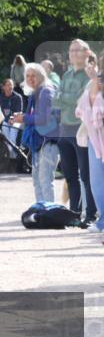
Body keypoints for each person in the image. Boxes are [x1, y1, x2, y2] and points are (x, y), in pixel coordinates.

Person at [56, 39, 97, 226]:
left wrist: (65, 98)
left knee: (87, 175)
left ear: (87, 53)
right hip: (64, 129)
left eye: (77, 50)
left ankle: (90, 214)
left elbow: (78, 101)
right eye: (71, 50)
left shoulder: (90, 75)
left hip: (82, 130)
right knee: (70, 175)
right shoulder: (66, 75)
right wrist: (67, 98)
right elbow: (55, 101)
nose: (73, 54)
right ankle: (75, 213)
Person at [15, 63, 60, 204]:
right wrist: (21, 117)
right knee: (37, 179)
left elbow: (43, 118)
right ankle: (41, 209)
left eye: (33, 75)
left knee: (45, 179)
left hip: (48, 141)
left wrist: (24, 118)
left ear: (41, 76)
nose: (30, 79)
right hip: (39, 142)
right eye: (27, 76)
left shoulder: (45, 91)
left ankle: (49, 210)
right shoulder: (36, 93)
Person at [75, 49, 104, 234]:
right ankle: (103, 220)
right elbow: (87, 105)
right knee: (97, 181)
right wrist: (95, 80)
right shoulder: (96, 80)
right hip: (96, 137)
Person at [0, 78, 24, 159]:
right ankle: (8, 155)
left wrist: (12, 119)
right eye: (8, 85)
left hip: (16, 120)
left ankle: (12, 155)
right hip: (4, 120)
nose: (10, 87)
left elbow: (19, 111)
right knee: (5, 131)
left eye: (11, 85)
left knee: (13, 131)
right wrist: (6, 119)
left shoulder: (17, 97)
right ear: (4, 87)